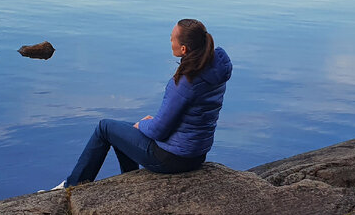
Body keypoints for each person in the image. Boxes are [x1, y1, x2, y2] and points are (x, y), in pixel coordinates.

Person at [56, 19, 232, 188]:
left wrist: (144, 124)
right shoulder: (213, 70)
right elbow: (188, 116)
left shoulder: (185, 82)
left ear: (183, 49)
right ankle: (129, 179)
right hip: (196, 154)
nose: (170, 40)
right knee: (122, 131)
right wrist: (149, 124)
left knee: (105, 128)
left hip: (172, 158)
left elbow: (159, 131)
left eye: (172, 38)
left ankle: (73, 185)